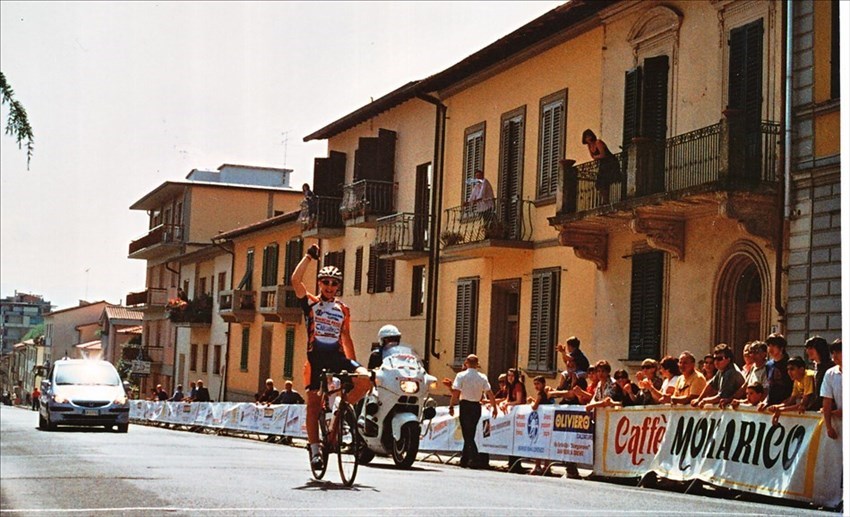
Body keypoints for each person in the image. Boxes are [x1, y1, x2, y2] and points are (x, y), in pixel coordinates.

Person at [292, 243, 371, 471]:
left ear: (338, 287)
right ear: (319, 284)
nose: (329, 286)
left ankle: (340, 411)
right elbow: (296, 281)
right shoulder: (311, 304)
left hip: (337, 358)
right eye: (325, 282)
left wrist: (354, 368)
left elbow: (346, 337)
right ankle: (315, 449)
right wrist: (308, 257)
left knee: (366, 379)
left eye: (333, 283)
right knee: (313, 405)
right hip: (316, 360)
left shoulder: (343, 309)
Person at [448, 354, 498, 469]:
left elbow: (456, 392)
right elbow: (490, 393)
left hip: (465, 405)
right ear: (477, 364)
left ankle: (474, 457)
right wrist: (494, 406)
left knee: (467, 433)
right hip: (476, 406)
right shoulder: (482, 377)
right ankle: (464, 459)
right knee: (471, 432)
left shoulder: (461, 375)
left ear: (466, 362)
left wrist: (451, 405)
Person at [764, 356, 817, 425]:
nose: (789, 372)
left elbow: (804, 403)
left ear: (801, 369)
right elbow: (791, 400)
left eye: (792, 369)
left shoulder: (807, 376)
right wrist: (777, 406)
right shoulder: (797, 379)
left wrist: (781, 410)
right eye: (788, 369)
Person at [692, 344, 745, 408]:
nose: (716, 362)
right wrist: (699, 399)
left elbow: (721, 397)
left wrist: (704, 401)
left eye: (719, 359)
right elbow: (710, 385)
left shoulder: (731, 373)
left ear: (728, 359)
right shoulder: (721, 371)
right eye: (715, 359)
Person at [582, 129, 621, 205]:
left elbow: (603, 154)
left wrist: (597, 157)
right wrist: (597, 157)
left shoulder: (598, 142)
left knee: (605, 181)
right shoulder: (589, 146)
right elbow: (593, 157)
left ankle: (606, 200)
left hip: (610, 162)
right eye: (586, 137)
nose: (588, 138)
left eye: (589, 136)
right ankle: (605, 200)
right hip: (603, 163)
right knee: (600, 183)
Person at [528, 376, 555, 476]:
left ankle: (539, 466)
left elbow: (535, 406)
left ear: (543, 384)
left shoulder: (541, 393)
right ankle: (546, 466)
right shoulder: (544, 393)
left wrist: (531, 402)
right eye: (535, 384)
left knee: (540, 443)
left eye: (538, 384)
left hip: (542, 422)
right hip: (545, 422)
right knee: (545, 443)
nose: (536, 386)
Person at [804, 335, 834, 411]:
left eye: (810, 348)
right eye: (807, 348)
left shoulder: (831, 367)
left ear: (820, 349)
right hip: (819, 408)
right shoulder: (816, 366)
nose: (807, 351)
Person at [765, 333, 793, 405]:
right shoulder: (768, 365)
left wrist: (785, 403)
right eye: (768, 346)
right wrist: (765, 401)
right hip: (771, 406)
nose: (770, 349)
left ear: (781, 348)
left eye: (773, 346)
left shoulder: (790, 364)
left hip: (785, 407)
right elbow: (770, 387)